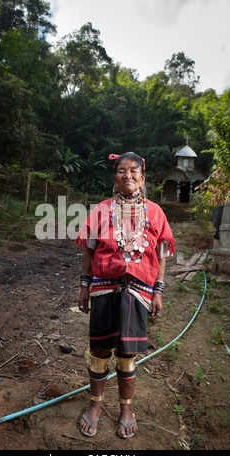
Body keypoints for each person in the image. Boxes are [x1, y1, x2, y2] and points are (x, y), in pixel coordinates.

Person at [76, 152, 175, 439]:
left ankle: (126, 409)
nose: (127, 176)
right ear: (114, 177)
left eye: (134, 172)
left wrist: (158, 291)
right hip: (104, 287)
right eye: (121, 171)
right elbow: (89, 250)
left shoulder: (155, 212)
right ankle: (95, 404)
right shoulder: (101, 210)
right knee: (99, 349)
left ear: (143, 179)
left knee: (128, 352)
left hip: (139, 290)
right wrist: (84, 286)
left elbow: (162, 254)